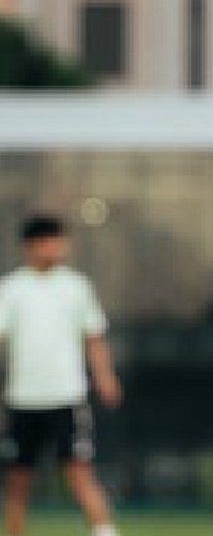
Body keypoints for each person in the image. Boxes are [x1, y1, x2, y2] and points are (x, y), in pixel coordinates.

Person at [0, 214, 122, 536]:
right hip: (23, 399)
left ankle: (104, 531)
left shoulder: (76, 287)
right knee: (18, 478)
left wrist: (105, 377)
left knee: (79, 471)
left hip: (66, 396)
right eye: (46, 242)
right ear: (30, 246)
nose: (54, 248)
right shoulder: (12, 289)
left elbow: (94, 337)